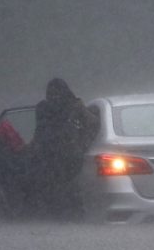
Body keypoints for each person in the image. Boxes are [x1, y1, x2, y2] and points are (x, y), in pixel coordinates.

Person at [26, 78, 99, 219]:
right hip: (55, 155)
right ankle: (64, 216)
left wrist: (82, 144)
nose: (54, 95)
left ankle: (65, 216)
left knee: (62, 188)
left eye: (56, 92)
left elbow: (92, 124)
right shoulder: (50, 107)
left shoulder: (70, 106)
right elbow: (39, 131)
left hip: (60, 155)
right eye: (51, 92)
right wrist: (32, 148)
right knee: (59, 187)